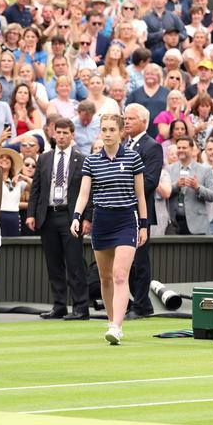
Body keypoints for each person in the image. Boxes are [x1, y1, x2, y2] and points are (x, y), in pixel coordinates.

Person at [70, 113, 148, 345]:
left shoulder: (133, 158)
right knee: (105, 278)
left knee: (120, 275)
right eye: (104, 129)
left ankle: (117, 326)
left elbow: (141, 195)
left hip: (126, 219)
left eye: (112, 129)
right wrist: (76, 217)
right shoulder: (91, 160)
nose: (107, 133)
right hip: (102, 221)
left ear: (121, 131)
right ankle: (112, 320)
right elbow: (84, 194)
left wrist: (143, 225)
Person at [27, 118, 90, 320]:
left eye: (65, 133)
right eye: (58, 132)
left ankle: (80, 307)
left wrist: (86, 218)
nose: (61, 136)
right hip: (48, 215)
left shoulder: (82, 159)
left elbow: (89, 192)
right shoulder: (44, 158)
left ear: (72, 135)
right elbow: (36, 188)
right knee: (53, 264)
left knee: (74, 263)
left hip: (71, 216)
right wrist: (31, 214)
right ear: (53, 134)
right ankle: (59, 305)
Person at [123, 103, 164, 319]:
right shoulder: (123, 146)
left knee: (139, 261)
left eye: (130, 118)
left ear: (144, 122)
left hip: (140, 213)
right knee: (125, 261)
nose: (126, 121)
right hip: (121, 212)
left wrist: (121, 186)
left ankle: (140, 304)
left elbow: (151, 181)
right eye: (125, 118)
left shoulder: (152, 147)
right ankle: (140, 302)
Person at [166, 136, 213, 235]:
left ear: (192, 149)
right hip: (173, 223)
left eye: (184, 148)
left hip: (197, 224)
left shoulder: (204, 170)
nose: (181, 150)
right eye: (179, 147)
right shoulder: (169, 169)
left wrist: (197, 187)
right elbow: (164, 194)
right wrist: (176, 186)